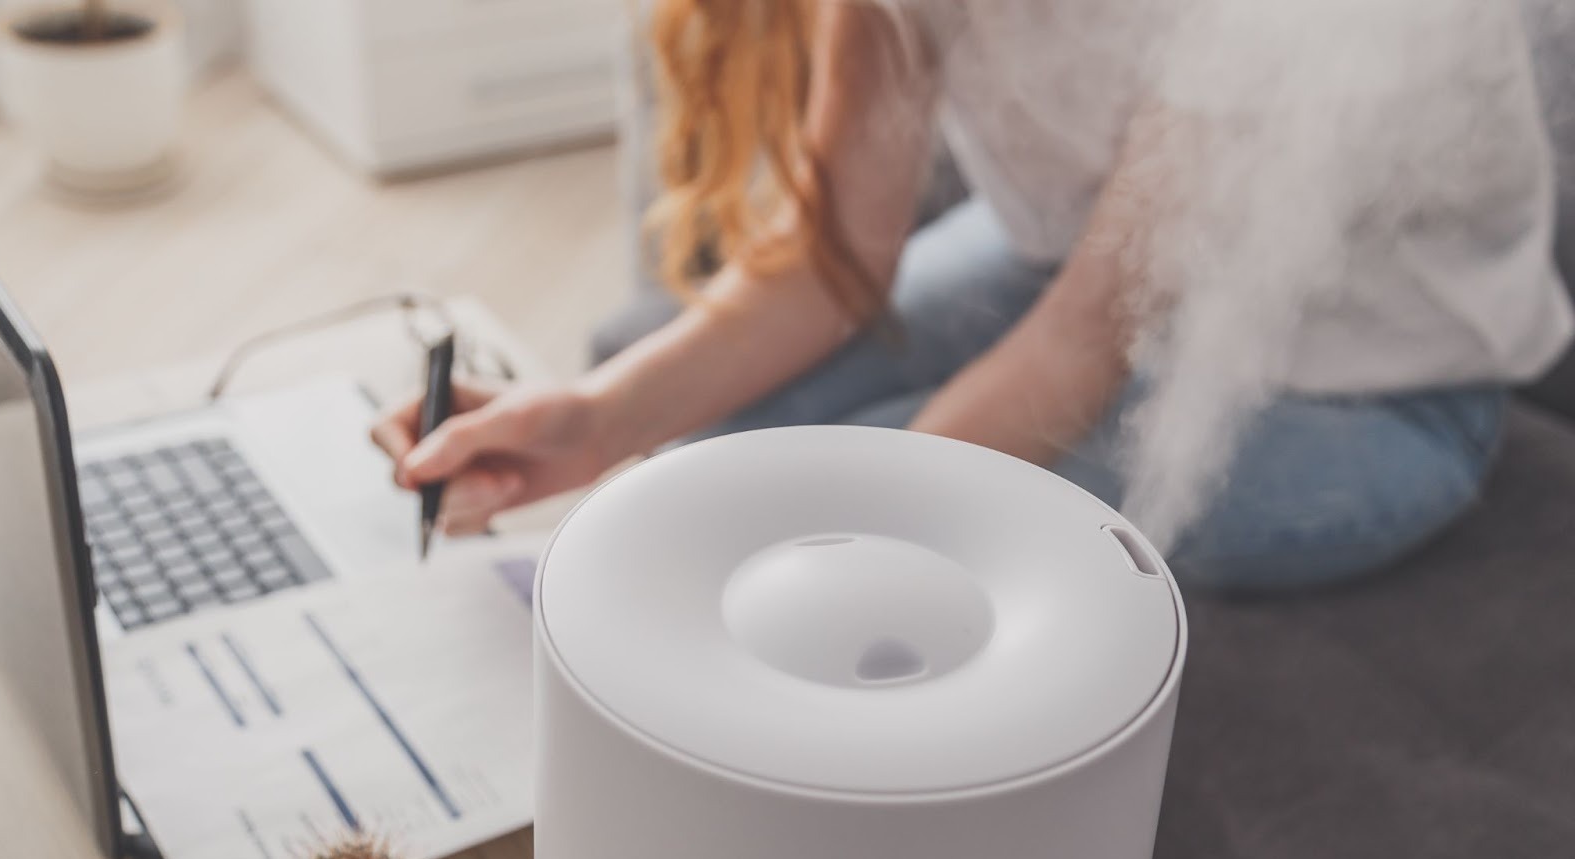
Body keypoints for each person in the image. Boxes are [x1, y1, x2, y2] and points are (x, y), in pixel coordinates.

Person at [372, 0, 1573, 592]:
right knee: (722, 462)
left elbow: (1082, 344)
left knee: (793, 521)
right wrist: (594, 421)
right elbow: (832, 260)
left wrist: (778, 546)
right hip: (1073, 258)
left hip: (1368, 390)